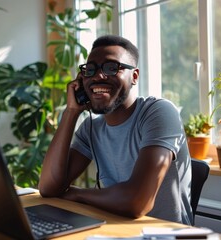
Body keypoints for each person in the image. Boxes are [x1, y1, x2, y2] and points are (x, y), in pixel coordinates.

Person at [39, 35, 193, 225]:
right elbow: (48, 188)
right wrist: (71, 113)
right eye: (90, 69)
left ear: (134, 76)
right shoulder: (91, 128)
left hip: (164, 233)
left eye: (111, 68)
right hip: (115, 228)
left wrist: (78, 194)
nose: (98, 76)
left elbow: (137, 202)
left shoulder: (158, 112)